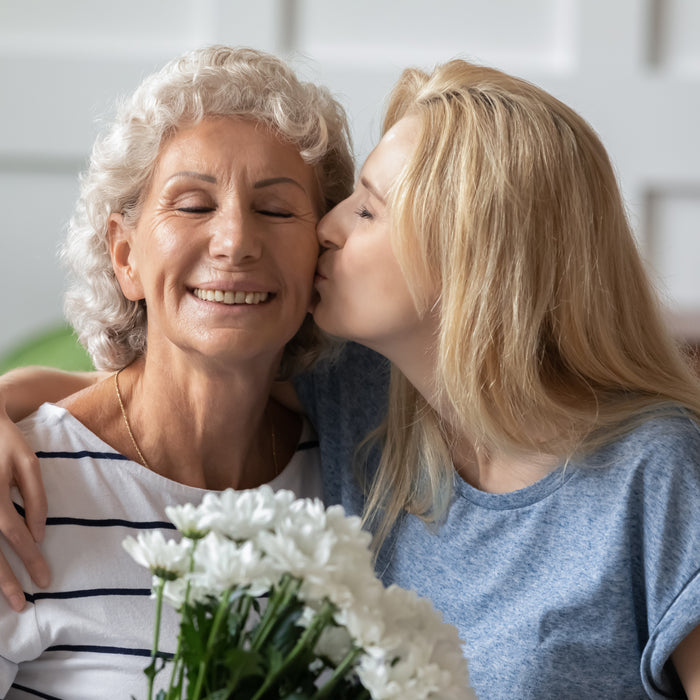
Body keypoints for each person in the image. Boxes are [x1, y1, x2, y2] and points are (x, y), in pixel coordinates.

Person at [1, 58, 700, 698]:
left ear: (471, 262)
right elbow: (171, 384)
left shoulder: (650, 470)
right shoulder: (369, 406)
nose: (324, 230)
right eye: (193, 204)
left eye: (365, 209)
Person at [0, 44, 353, 698]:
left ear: (320, 263)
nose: (235, 240)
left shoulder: (354, 482)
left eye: (275, 210)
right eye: (192, 204)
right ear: (126, 254)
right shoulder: (18, 488)